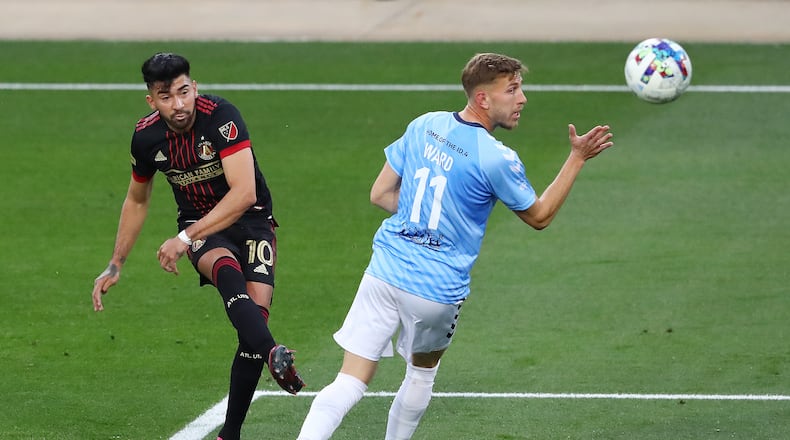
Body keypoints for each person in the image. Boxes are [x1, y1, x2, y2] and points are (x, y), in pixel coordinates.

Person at [296, 52, 614, 439]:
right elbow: (540, 216)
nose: (522, 99)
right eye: (512, 90)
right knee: (420, 374)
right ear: (483, 99)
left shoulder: (424, 125)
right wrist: (577, 157)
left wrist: (423, 215)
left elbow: (380, 194)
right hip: (435, 290)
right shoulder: (497, 158)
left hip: (384, 271)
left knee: (349, 381)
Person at [91, 52, 305, 440]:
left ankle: (230, 433)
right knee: (227, 274)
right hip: (200, 227)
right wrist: (116, 263)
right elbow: (137, 200)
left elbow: (243, 194)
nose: (179, 104)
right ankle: (276, 353)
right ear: (152, 101)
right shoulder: (146, 137)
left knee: (253, 324)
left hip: (253, 220)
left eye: (184, 91)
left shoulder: (222, 117)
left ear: (195, 87)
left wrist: (182, 240)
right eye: (166, 96)